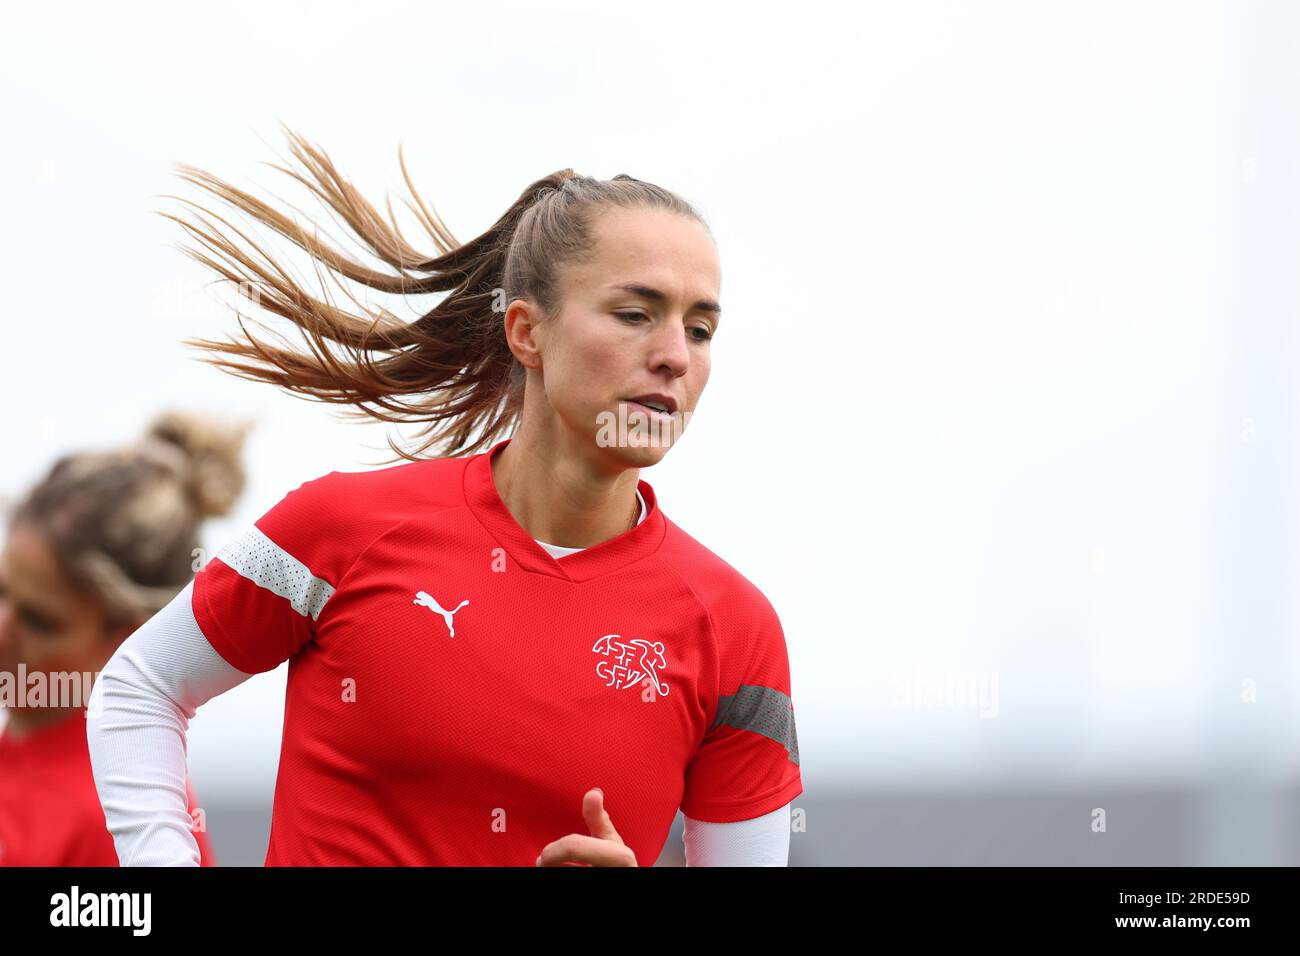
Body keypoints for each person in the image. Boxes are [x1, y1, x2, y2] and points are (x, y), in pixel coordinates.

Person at [88, 128, 802, 866]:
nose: (674, 355)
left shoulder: (737, 632)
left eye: (701, 328)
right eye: (634, 314)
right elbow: (139, 687)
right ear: (527, 332)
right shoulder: (339, 528)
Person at [0, 411, 246, 866]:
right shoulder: (20, 749)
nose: (1, 630)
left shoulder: (123, 823)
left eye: (39, 621)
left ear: (132, 638)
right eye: (1, 592)